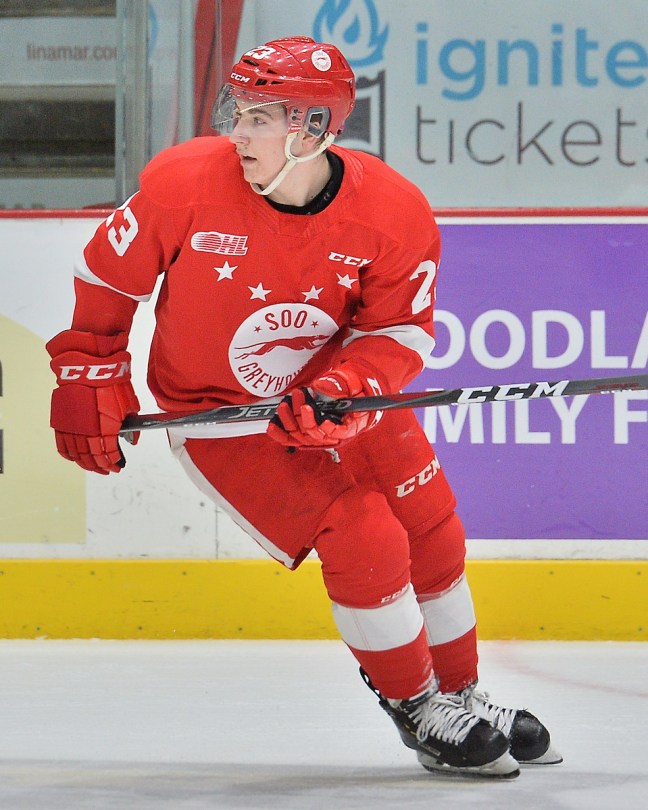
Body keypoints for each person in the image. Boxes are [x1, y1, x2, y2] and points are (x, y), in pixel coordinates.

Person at [46, 36, 561, 778]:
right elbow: (106, 275)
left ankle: (461, 695)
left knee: (431, 527)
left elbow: (398, 331)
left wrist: (350, 388)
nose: (238, 133)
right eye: (237, 112)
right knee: (362, 533)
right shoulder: (183, 182)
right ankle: (418, 706)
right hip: (223, 414)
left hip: (335, 400)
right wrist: (89, 372)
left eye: (258, 118)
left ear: (314, 128)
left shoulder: (392, 211)